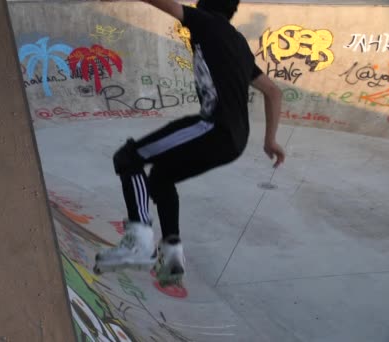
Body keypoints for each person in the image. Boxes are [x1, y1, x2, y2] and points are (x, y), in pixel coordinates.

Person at [93, 0, 286, 286]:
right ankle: (172, 260)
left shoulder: (206, 22)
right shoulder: (238, 43)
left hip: (212, 128)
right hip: (235, 141)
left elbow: (170, 7)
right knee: (160, 177)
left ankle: (140, 243)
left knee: (128, 157)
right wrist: (270, 139)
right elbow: (273, 91)